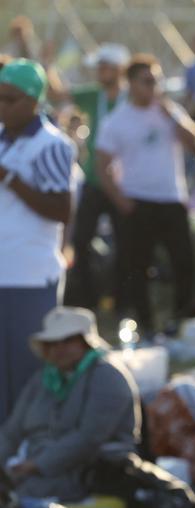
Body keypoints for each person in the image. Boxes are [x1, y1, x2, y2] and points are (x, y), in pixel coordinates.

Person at [96, 54, 195, 334]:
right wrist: (121, 201)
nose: (153, 86)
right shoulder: (117, 120)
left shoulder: (169, 110)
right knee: (137, 268)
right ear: (130, 83)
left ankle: (180, 319)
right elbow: (101, 165)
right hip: (138, 202)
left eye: (156, 80)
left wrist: (172, 116)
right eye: (147, 81)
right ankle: (146, 324)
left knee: (184, 263)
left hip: (172, 198)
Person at [0, 59, 76, 423]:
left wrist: (10, 179)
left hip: (28, 277)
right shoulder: (2, 139)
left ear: (33, 100)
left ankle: (27, 451)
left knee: (27, 375)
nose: (2, 107)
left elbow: (61, 209)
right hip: (3, 272)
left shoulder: (51, 145)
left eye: (10, 99)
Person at [0, 306, 140, 502]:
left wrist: (36, 464)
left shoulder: (107, 377)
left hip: (89, 472)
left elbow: (88, 439)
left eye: (67, 341)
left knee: (16, 501)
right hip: (33, 469)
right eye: (52, 343)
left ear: (85, 342)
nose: (58, 349)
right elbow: (12, 431)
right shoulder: (42, 379)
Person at [65, 43, 129, 313]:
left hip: (125, 185)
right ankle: (88, 301)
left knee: (126, 245)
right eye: (100, 67)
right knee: (81, 241)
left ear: (118, 70)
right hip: (95, 180)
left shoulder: (131, 97)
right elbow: (59, 92)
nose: (101, 72)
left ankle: (121, 301)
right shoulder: (94, 95)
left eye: (105, 67)